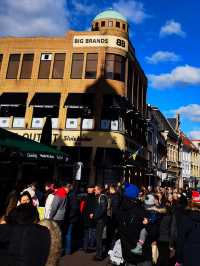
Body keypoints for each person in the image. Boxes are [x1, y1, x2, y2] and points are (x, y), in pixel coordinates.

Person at [118, 184, 154, 266]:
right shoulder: (140, 211)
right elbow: (152, 232)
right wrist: (149, 224)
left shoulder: (120, 211)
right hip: (143, 255)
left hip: (128, 253)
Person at [176, 201, 200, 266]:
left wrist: (179, 259)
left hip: (188, 256)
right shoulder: (186, 218)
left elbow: (180, 240)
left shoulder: (186, 219)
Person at [91, 185, 108, 261]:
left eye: (95, 190)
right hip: (100, 220)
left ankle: (99, 255)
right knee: (98, 237)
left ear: (99, 190)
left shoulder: (102, 197)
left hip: (100, 221)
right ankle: (98, 254)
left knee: (99, 238)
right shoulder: (100, 197)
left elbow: (102, 209)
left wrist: (94, 215)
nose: (94, 191)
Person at [82, 185, 96, 252]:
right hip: (90, 217)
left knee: (87, 232)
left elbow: (82, 208)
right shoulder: (95, 197)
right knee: (91, 231)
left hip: (87, 217)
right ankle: (90, 245)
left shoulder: (86, 197)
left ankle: (86, 246)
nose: (88, 189)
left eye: (89, 188)